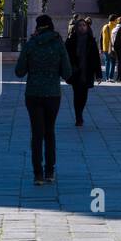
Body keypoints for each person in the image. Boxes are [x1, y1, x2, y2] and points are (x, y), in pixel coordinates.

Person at [14, 14, 72, 185]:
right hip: (53, 94)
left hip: (33, 94)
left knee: (37, 133)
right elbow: (67, 73)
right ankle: (50, 171)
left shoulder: (31, 44)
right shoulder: (58, 44)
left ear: (37, 27)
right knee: (50, 132)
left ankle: (37, 174)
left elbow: (19, 72)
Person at [65, 16, 101, 127]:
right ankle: (78, 117)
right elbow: (66, 57)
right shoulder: (71, 41)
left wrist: (98, 74)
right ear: (76, 27)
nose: (82, 27)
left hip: (87, 71)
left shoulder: (91, 41)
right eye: (79, 25)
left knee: (84, 95)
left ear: (87, 27)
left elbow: (96, 58)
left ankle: (80, 112)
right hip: (75, 72)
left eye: (84, 25)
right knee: (77, 94)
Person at [100, 14, 121, 82]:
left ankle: (107, 78)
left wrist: (101, 48)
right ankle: (111, 77)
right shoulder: (115, 26)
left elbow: (101, 37)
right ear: (114, 20)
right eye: (116, 19)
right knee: (112, 63)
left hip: (105, 48)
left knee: (107, 62)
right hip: (112, 48)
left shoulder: (104, 26)